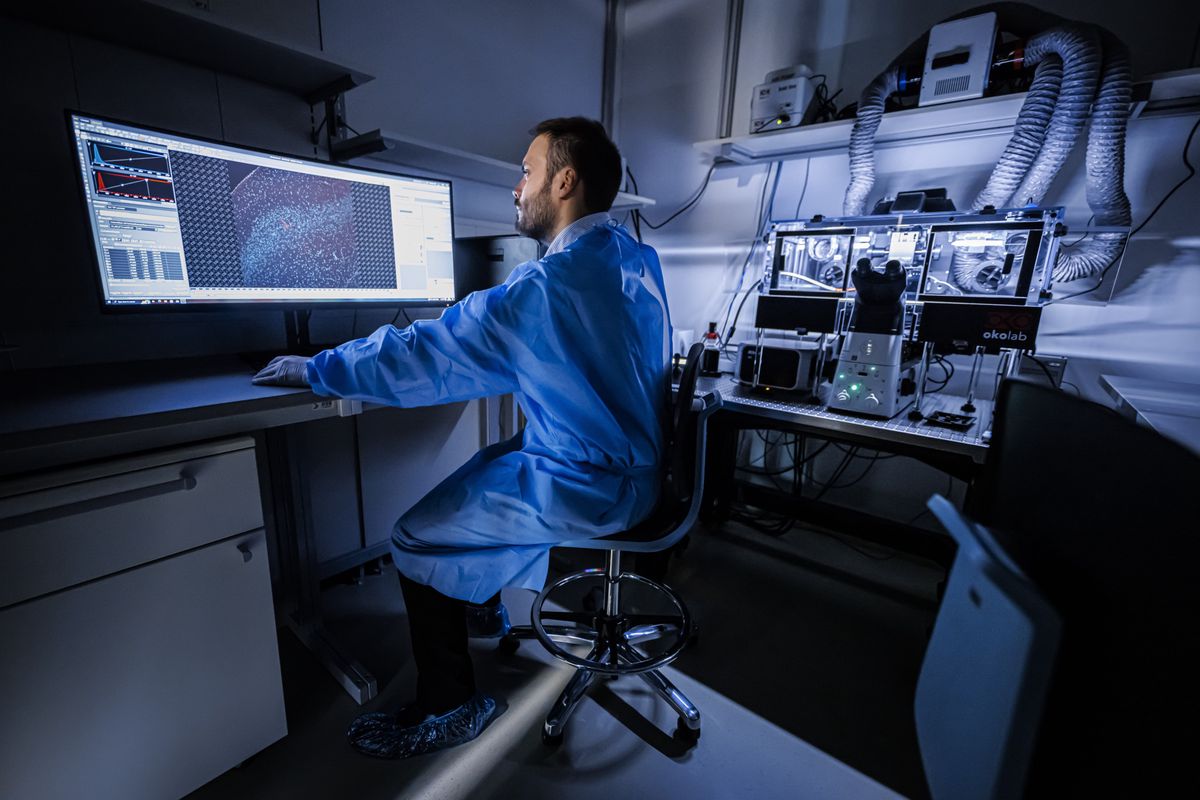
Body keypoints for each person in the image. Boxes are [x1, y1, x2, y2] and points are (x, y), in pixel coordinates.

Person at [253, 117, 671, 759]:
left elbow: (426, 353)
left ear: (564, 181)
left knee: (414, 534)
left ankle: (450, 704)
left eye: (526, 172)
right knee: (483, 466)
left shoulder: (544, 288)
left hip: (587, 483)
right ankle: (481, 606)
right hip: (630, 469)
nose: (515, 187)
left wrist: (318, 367)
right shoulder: (632, 258)